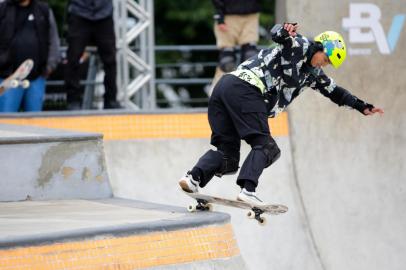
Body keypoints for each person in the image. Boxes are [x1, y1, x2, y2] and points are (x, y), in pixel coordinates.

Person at [179, 23, 384, 205]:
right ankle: (248, 190)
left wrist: (361, 106)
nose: (325, 64)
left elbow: (336, 92)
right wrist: (284, 31)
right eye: (326, 58)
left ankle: (193, 178)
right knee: (267, 147)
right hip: (246, 89)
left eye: (329, 64)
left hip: (224, 89)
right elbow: (279, 34)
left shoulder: (313, 75)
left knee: (228, 157)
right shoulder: (299, 44)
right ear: (321, 47)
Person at [0, 0, 60, 112]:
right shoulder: (3, 9)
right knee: (6, 121)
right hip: (7, 77)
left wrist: (50, 66)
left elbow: (53, 39)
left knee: (34, 123)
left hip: (37, 77)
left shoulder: (43, 10)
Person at [64, 0, 121, 110]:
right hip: (79, 12)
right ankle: (73, 100)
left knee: (110, 60)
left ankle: (111, 100)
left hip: (104, 14)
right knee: (73, 58)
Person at [210, 0, 261, 92]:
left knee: (250, 57)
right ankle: (217, 94)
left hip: (251, 15)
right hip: (228, 16)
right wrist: (219, 16)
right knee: (227, 61)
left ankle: (247, 92)